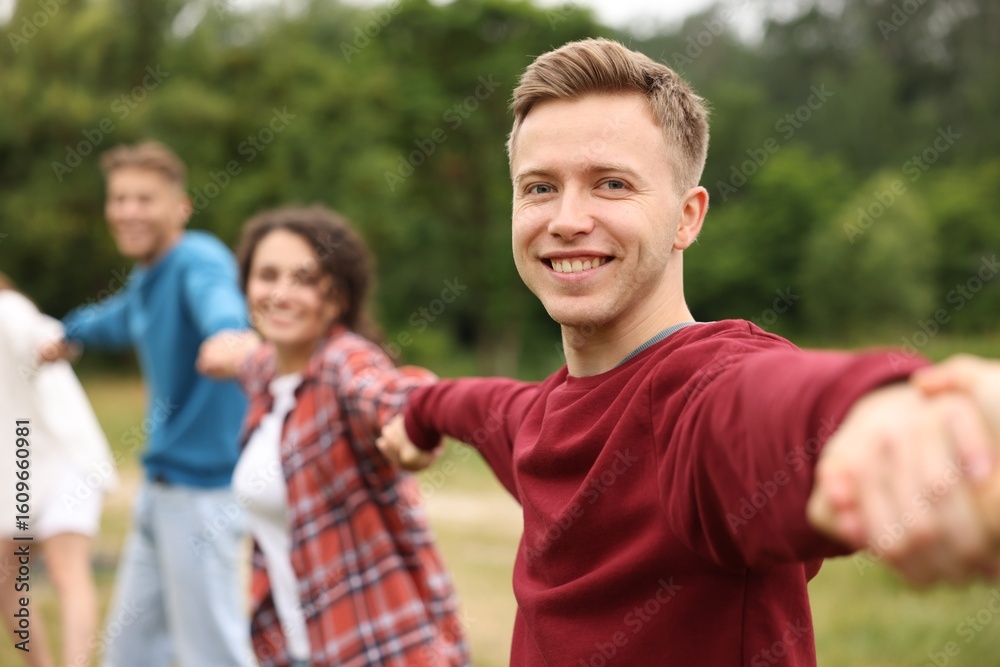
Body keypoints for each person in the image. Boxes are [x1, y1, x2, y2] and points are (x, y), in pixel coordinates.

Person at [375, 38, 1000, 666]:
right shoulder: (541, 419)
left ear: (686, 217)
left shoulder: (696, 392)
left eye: (611, 184)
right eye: (539, 188)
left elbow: (764, 411)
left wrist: (896, 418)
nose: (566, 219)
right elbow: (476, 405)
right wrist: (418, 415)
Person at [199, 205, 468, 666]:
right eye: (267, 275)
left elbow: (388, 391)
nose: (281, 293)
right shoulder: (270, 374)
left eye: (304, 279)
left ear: (339, 297)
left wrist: (415, 420)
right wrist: (225, 353)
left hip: (382, 646)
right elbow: (243, 358)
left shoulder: (342, 362)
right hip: (296, 649)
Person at [38, 141, 257, 667]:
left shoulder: (195, 258)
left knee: (213, 655)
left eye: (145, 198)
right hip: (161, 491)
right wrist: (66, 332)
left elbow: (219, 301)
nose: (129, 211)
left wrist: (228, 335)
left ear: (179, 207)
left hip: (204, 494)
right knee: (131, 653)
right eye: (119, 199)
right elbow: (113, 319)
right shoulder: (146, 280)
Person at [0, 273, 117, 667]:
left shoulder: (10, 310)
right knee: (6, 573)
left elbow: (49, 338)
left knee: (66, 567)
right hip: (18, 463)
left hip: (68, 454)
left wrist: (53, 349)